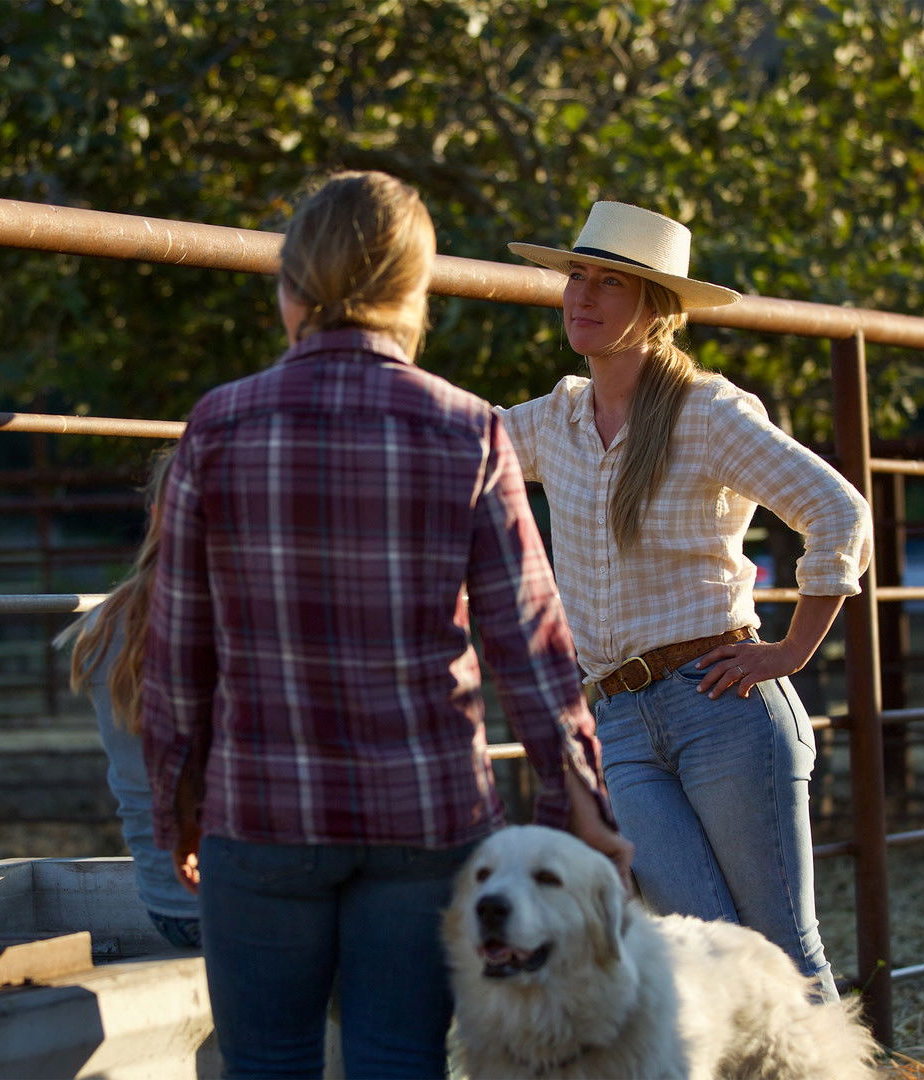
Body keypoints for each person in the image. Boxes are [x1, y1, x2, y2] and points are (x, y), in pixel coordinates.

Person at [140, 171, 632, 1079]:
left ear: (289, 288)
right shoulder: (469, 431)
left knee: (268, 1064)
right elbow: (531, 644)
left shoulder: (216, 427)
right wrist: (575, 808)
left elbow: (176, 656)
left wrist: (178, 801)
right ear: (418, 293)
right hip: (426, 814)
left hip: (262, 812)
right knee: (401, 1059)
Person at [499, 201, 872, 1000]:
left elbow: (839, 510)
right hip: (620, 721)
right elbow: (459, 442)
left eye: (610, 283)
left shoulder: (708, 413)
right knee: (702, 959)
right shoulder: (557, 419)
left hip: (722, 703)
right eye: (576, 278)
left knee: (780, 950)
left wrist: (792, 649)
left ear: (657, 307)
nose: (582, 297)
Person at [56, 451, 201, 950]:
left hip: (169, 903)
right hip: (244, 904)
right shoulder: (252, 610)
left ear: (157, 514)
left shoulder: (105, 623)